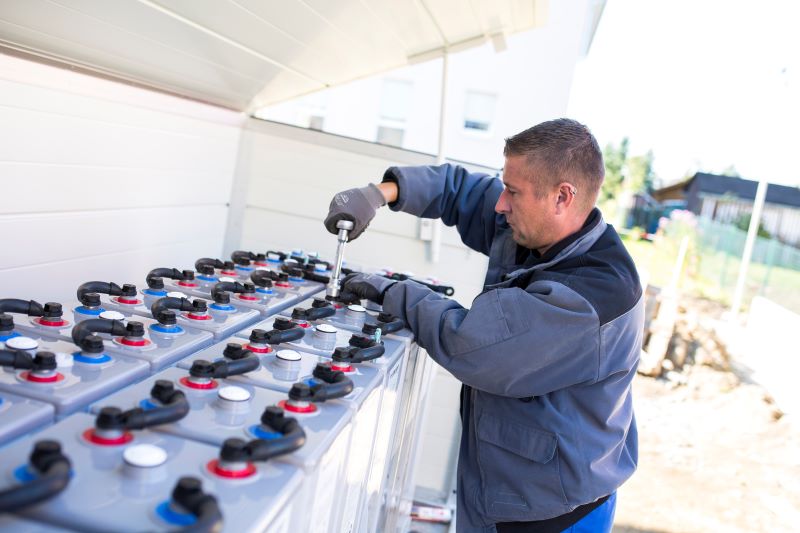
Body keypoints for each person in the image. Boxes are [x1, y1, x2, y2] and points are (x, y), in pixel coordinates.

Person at [324, 118, 642, 533]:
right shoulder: (538, 229)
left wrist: (393, 293)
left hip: (548, 513)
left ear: (562, 196)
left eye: (512, 192)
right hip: (505, 489)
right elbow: (462, 191)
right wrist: (378, 194)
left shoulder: (594, 295)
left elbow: (477, 346)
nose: (500, 205)